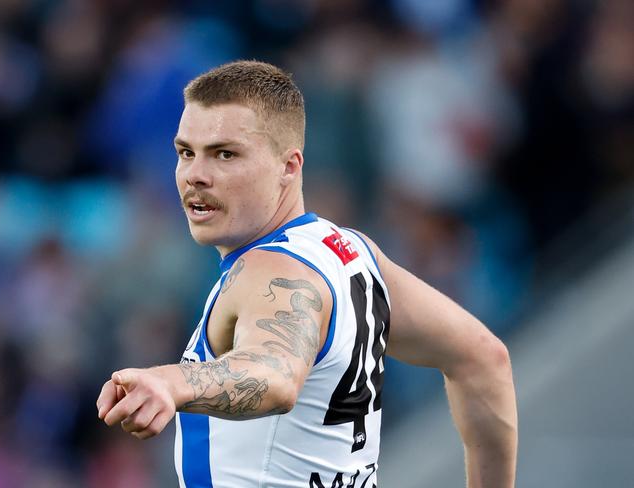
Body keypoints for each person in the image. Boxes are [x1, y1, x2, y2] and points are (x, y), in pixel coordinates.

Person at [96, 60, 517, 488]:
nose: (195, 176)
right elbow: (484, 358)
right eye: (186, 152)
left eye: (226, 154)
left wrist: (172, 381)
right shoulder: (352, 252)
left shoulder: (270, 270)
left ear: (289, 167)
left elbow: (275, 374)